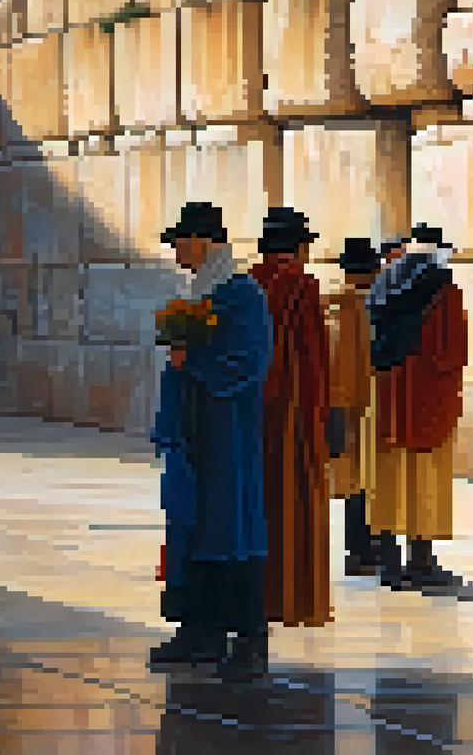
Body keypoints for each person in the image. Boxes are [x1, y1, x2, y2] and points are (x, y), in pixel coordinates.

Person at [150, 201, 273, 678]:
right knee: (190, 526)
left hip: (226, 435)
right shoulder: (199, 292)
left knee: (230, 528)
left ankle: (247, 639)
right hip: (193, 430)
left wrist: (193, 363)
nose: (177, 248)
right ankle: (197, 631)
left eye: (182, 239)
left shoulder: (243, 296)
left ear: (204, 242)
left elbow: (250, 363)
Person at [366, 223, 469, 590]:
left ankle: (390, 563)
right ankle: (421, 561)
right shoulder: (445, 290)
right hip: (427, 396)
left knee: (388, 479)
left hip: (385, 395)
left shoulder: (380, 284)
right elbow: (452, 351)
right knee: (425, 479)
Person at [248, 207, 333, 629]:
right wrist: (321, 417)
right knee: (295, 505)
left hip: (250, 417)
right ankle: (293, 599)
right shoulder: (302, 286)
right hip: (293, 418)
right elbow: (314, 359)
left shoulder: (247, 282)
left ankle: (256, 597)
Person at [325, 238, 381, 576]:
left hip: (338, 405)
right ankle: (366, 550)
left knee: (351, 483)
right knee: (370, 481)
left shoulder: (331, 307)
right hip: (372, 404)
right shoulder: (375, 305)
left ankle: (356, 551)